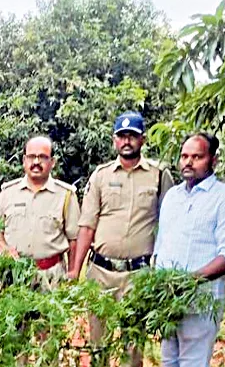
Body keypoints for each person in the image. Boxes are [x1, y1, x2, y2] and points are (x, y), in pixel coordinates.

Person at [71, 111, 174, 367]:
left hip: (138, 275)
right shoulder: (101, 175)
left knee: (133, 346)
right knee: (98, 344)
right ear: (114, 140)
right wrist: (75, 270)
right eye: (121, 136)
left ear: (143, 140)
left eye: (132, 136)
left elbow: (170, 225)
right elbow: (87, 226)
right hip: (101, 272)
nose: (126, 141)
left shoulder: (160, 175)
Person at [155, 133, 225, 367]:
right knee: (168, 362)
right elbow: (162, 244)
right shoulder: (172, 197)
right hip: (168, 301)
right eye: (184, 156)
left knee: (192, 363)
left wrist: (188, 282)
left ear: (213, 160)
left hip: (200, 302)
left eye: (197, 157)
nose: (188, 162)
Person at [0, 136, 80, 290]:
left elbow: (74, 239)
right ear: (24, 160)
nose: (36, 162)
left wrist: (72, 274)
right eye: (31, 157)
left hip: (52, 276)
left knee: (50, 315)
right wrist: (4, 248)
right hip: (14, 275)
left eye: (43, 157)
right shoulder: (8, 193)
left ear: (52, 162)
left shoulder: (65, 195)